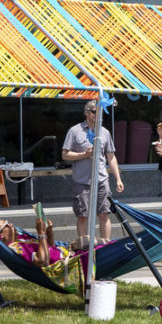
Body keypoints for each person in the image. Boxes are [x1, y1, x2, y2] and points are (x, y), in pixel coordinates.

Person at [61, 99, 123, 246]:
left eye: (101, 112)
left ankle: (105, 246)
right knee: (83, 215)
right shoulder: (75, 131)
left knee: (104, 214)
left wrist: (118, 179)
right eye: (96, 112)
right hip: (82, 181)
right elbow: (65, 155)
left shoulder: (105, 132)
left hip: (101, 180)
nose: (99, 114)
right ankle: (84, 247)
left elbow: (111, 157)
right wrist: (84, 154)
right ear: (88, 113)